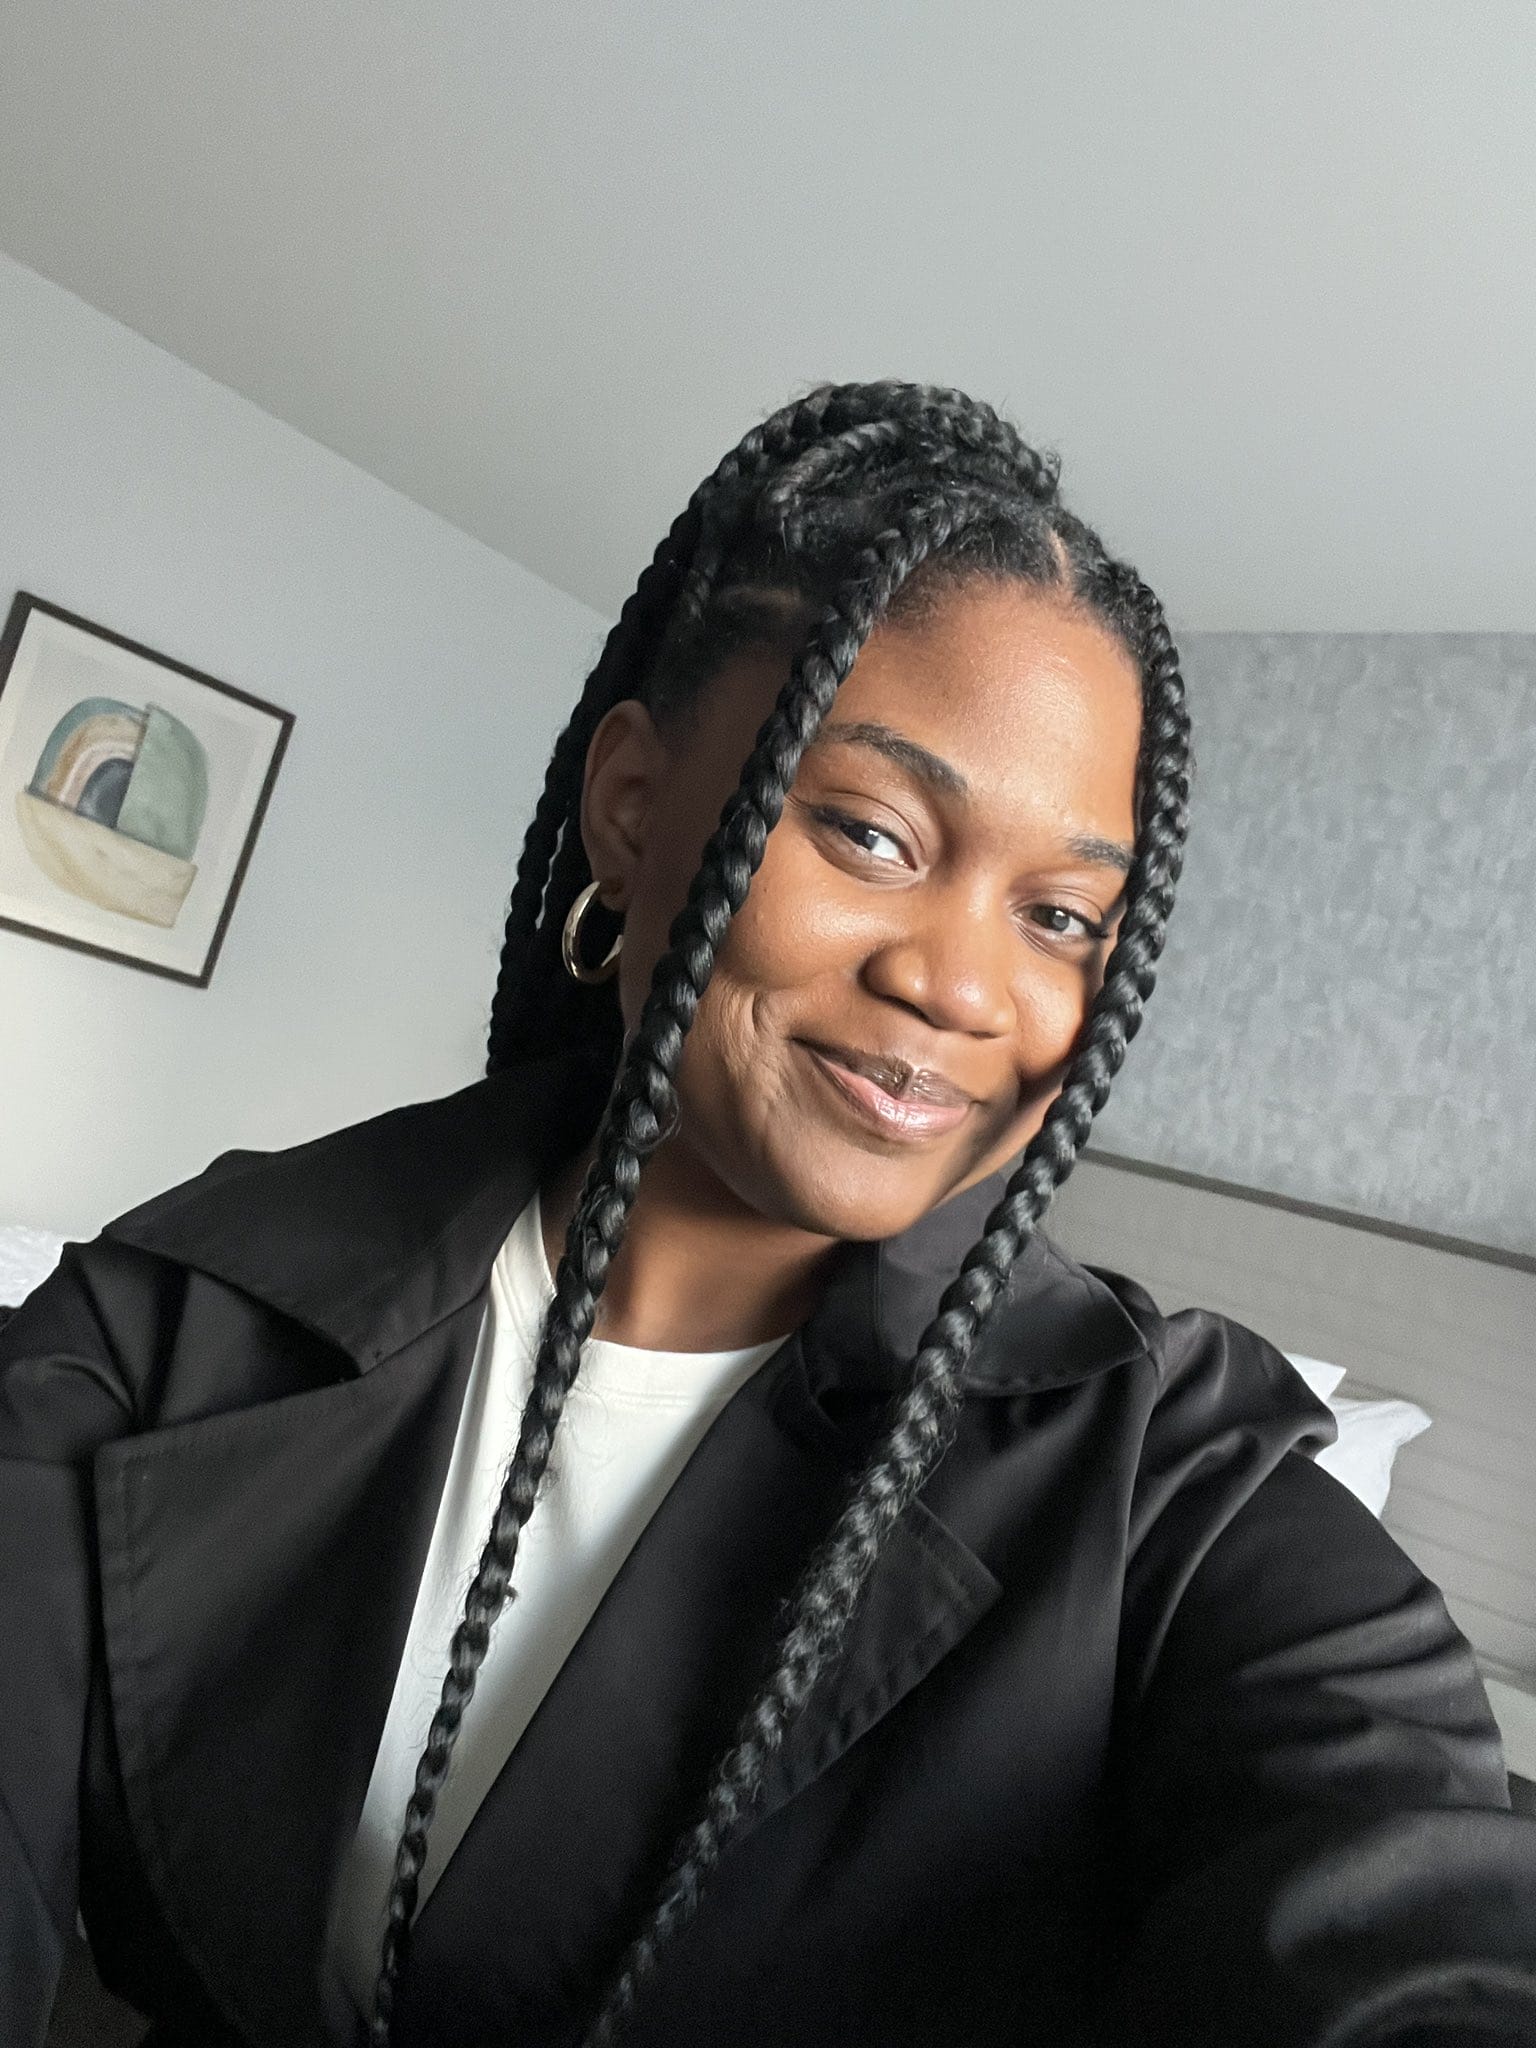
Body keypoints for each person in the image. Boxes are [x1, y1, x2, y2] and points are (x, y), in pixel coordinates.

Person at [4, 380, 1534, 2048]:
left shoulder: (1177, 1486)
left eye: (1061, 918)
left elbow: (1409, 1914)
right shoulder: (164, 1320)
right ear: (633, 807)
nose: (963, 985)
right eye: (871, 833)